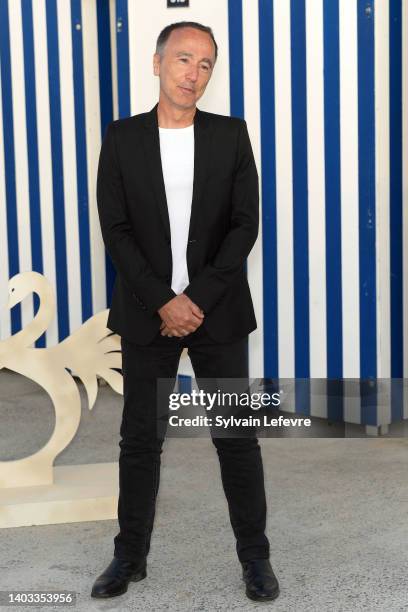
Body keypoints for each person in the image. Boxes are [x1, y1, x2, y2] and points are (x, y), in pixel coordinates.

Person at [91, 21, 279, 603]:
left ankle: (255, 559)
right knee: (140, 441)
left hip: (216, 313)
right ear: (157, 63)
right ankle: (129, 558)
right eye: (183, 60)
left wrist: (195, 299)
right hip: (149, 314)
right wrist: (163, 300)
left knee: (236, 439)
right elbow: (115, 229)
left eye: (205, 65)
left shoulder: (230, 135)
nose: (193, 74)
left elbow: (245, 224)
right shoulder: (122, 138)